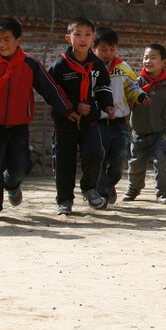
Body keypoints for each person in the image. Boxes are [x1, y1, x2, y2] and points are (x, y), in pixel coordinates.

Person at [0, 17, 74, 220]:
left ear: (18, 40)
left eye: (7, 39)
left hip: (19, 126)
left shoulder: (30, 64)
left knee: (21, 165)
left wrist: (67, 109)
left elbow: (50, 89)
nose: (2, 44)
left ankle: (12, 184)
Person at [48, 18, 114, 215]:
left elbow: (103, 87)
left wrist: (107, 105)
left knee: (96, 152)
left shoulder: (97, 65)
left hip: (90, 120)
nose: (82, 39)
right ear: (69, 38)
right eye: (77, 34)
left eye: (87, 34)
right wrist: (74, 105)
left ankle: (89, 188)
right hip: (65, 122)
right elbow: (53, 91)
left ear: (93, 38)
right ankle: (65, 200)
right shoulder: (60, 65)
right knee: (64, 162)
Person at [125, 43, 166, 204]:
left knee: (163, 162)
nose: (148, 61)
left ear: (163, 62)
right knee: (136, 165)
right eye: (146, 57)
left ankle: (162, 193)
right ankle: (133, 189)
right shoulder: (136, 84)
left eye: (153, 57)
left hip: (161, 133)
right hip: (139, 133)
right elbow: (124, 101)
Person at [92, 26, 148, 206]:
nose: (108, 53)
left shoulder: (123, 68)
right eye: (103, 49)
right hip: (96, 123)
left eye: (112, 49)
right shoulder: (89, 68)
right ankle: (100, 194)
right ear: (94, 48)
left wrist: (140, 96)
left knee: (118, 161)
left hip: (119, 124)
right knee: (98, 160)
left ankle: (110, 184)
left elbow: (132, 87)